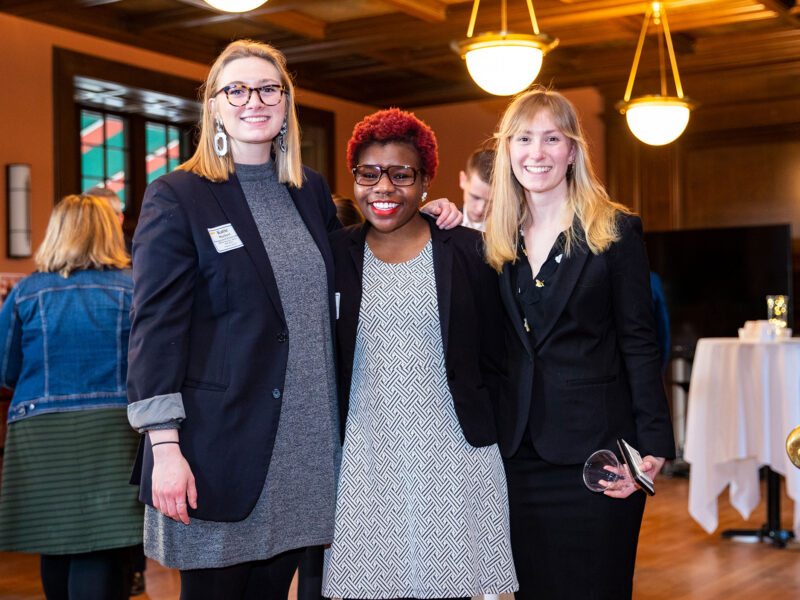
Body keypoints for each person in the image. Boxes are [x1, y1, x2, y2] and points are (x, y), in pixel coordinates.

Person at [125, 39, 461, 600]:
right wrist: (164, 448)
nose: (253, 100)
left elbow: (353, 266)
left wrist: (414, 213)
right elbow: (155, 328)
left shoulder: (306, 190)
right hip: (216, 451)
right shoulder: (178, 195)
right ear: (212, 104)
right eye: (235, 89)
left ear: (286, 104)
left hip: (307, 448)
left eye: (268, 88)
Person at [484, 88, 675, 600]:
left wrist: (653, 444)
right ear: (508, 150)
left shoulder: (613, 230)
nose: (536, 152)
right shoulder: (497, 238)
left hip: (598, 456)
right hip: (519, 456)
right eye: (523, 139)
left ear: (573, 150)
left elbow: (640, 341)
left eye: (551, 138)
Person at [322, 108, 517, 600]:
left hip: (454, 454)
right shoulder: (333, 255)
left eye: (401, 175)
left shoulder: (471, 253)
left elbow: (501, 356)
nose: (383, 188)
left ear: (426, 181)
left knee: (451, 587)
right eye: (368, 174)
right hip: (364, 458)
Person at [0, 194, 141, 600]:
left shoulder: (27, 291)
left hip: (39, 430)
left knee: (56, 541)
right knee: (104, 545)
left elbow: (5, 369)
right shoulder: (133, 287)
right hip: (115, 428)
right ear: (109, 232)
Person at [84, 183, 146, 596]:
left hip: (119, 405)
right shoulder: (127, 282)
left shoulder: (31, 290)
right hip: (118, 407)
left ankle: (136, 569)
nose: (117, 220)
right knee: (114, 522)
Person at [459, 147, 494, 231]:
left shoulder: (514, 233)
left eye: (491, 202)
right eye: (475, 197)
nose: (480, 209)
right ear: (463, 180)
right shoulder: (440, 225)